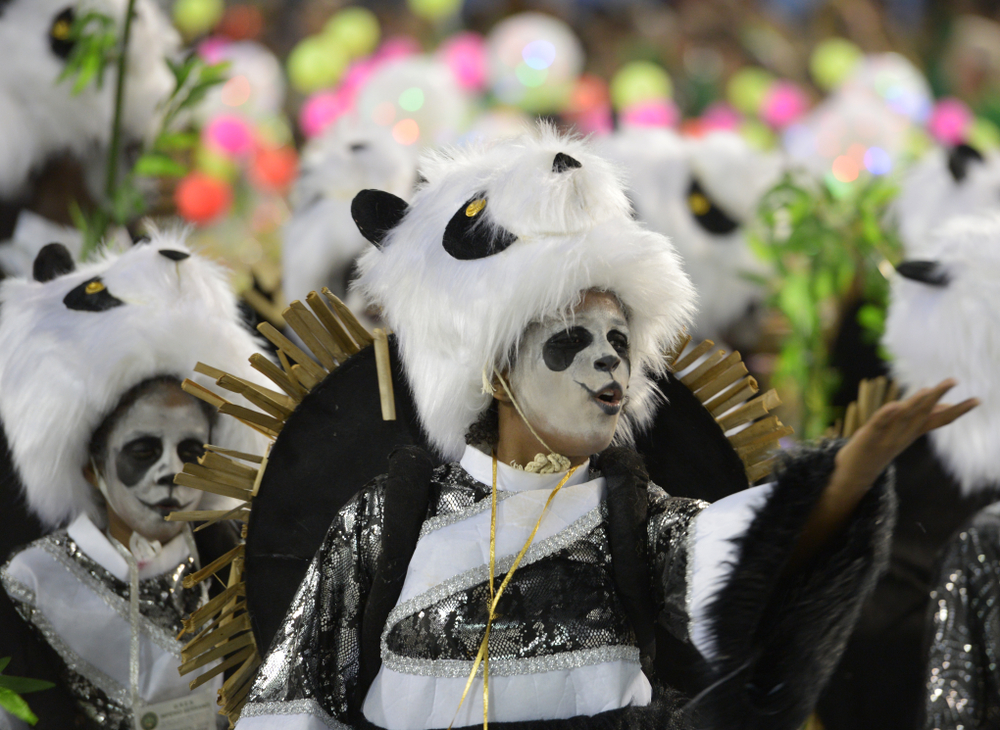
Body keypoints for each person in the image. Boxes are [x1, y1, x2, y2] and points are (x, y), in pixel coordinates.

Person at [236, 127, 975, 730]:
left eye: (621, 342)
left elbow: (759, 559)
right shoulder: (384, 524)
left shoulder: (639, 525)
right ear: (497, 370)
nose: (609, 365)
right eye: (574, 340)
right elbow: (294, 706)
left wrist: (856, 464)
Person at [0, 231, 269, 729]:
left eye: (191, 450)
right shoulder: (32, 583)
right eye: (143, 450)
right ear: (92, 468)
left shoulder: (235, 568)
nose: (172, 470)